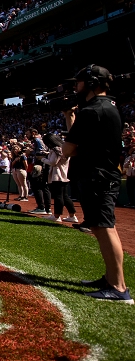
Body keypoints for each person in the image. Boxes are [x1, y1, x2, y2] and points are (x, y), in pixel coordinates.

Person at [61, 65, 132, 303]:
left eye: (79, 82)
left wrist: (71, 118)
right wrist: (70, 117)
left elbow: (68, 149)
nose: (75, 86)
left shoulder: (91, 111)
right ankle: (111, 278)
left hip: (96, 176)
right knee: (101, 226)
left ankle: (118, 287)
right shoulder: (109, 106)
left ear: (90, 83)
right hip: (105, 174)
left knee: (104, 227)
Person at [41, 133, 77, 222]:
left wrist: (43, 159)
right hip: (64, 174)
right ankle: (72, 215)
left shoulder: (56, 150)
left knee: (58, 196)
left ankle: (57, 216)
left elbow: (53, 162)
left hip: (57, 175)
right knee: (65, 196)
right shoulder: (64, 148)